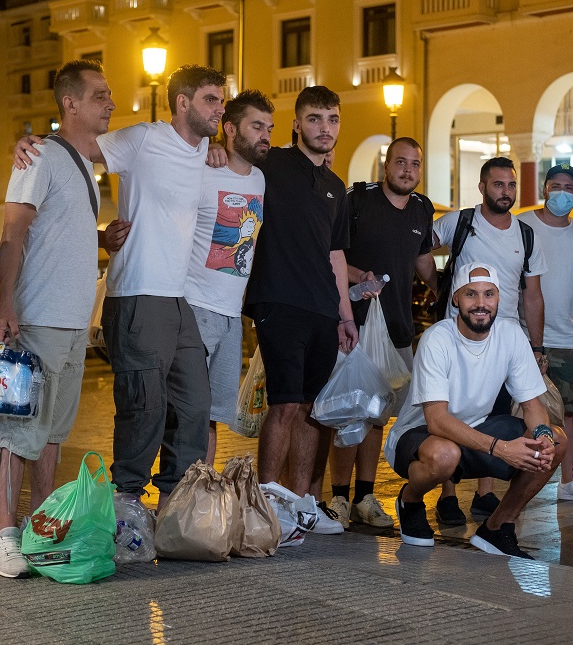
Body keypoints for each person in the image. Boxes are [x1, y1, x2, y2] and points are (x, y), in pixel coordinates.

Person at [0, 59, 117, 578]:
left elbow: (59, 232)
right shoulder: (38, 154)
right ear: (71, 103)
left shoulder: (84, 161)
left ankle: (41, 527)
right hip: (37, 318)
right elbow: (12, 233)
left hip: (71, 324)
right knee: (18, 430)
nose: (110, 102)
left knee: (52, 433)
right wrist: (4, 304)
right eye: (100, 95)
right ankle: (3, 533)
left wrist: (101, 240)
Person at [98, 65, 225, 507]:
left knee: (194, 405)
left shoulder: (207, 148)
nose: (219, 108)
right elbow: (80, 153)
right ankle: (125, 506)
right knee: (144, 409)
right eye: (211, 99)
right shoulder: (144, 138)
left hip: (177, 298)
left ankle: (175, 506)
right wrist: (35, 143)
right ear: (182, 102)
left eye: (221, 100)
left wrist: (217, 149)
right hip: (137, 292)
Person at [384, 262, 565, 557]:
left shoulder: (511, 335)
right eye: (471, 294)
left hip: (477, 428)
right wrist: (502, 449)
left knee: (556, 442)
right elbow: (438, 421)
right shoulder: (437, 339)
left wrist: (543, 435)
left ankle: (496, 528)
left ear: (498, 298)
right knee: (445, 454)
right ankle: (411, 500)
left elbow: (533, 405)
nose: (481, 303)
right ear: (456, 299)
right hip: (419, 435)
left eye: (488, 294)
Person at [242, 86, 358, 537]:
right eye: (314, 118)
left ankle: (302, 504)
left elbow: (336, 256)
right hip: (278, 300)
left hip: (324, 310)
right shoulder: (270, 164)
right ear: (296, 123)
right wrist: (214, 154)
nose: (324, 128)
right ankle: (267, 505)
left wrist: (346, 316)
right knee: (286, 403)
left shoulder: (334, 185)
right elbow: (231, 161)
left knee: (314, 410)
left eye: (331, 119)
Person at [327, 137, 437, 529]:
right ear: (385, 165)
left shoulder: (422, 209)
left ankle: (364, 496)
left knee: (377, 416)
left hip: (397, 331)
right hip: (353, 327)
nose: (408, 170)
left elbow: (423, 258)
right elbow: (331, 253)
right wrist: (361, 277)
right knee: (348, 414)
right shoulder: (356, 201)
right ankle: (338, 497)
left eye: (415, 164)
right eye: (400, 162)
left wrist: (445, 290)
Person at [431, 157, 547, 525]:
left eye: (511, 185)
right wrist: (439, 287)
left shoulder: (526, 234)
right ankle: (448, 495)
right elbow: (418, 248)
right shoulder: (460, 221)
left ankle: (485, 492)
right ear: (482, 187)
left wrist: (537, 346)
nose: (506, 192)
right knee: (452, 412)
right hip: (458, 339)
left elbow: (532, 295)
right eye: (498, 185)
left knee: (494, 416)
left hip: (505, 344)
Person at [184, 90, 273, 464]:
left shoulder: (260, 180)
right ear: (231, 128)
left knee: (215, 415)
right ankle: (174, 494)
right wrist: (204, 146)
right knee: (186, 411)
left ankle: (199, 493)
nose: (265, 135)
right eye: (257, 126)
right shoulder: (202, 170)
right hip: (193, 308)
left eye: (269, 127)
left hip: (231, 316)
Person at [518, 164, 573, 502]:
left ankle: (568, 479)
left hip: (566, 338)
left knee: (569, 412)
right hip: (521, 336)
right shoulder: (523, 225)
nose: (562, 192)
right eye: (555, 185)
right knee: (516, 411)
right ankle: (504, 483)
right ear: (544, 189)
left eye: (569, 187)